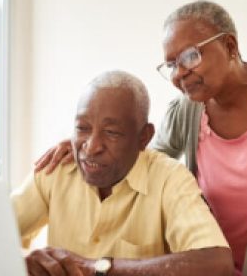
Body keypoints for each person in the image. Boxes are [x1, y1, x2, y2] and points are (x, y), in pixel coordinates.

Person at [34, 0, 247, 274]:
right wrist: (89, 143)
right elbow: (143, 162)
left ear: (230, 45)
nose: (180, 73)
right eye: (171, 64)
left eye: (190, 56)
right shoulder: (186, 112)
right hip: (219, 269)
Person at [12, 70, 234, 276]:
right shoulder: (55, 170)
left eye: (111, 133)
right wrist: (24, 260)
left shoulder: (169, 179)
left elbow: (217, 264)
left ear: (144, 137)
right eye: (82, 128)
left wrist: (99, 268)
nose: (91, 147)